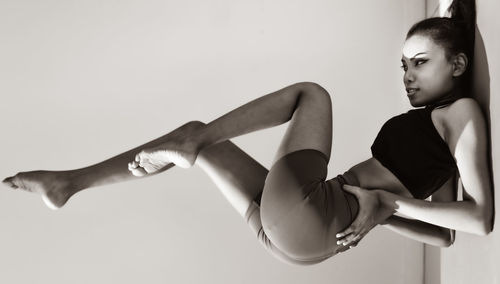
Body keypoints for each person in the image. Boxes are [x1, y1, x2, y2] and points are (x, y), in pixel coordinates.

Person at [2, 0, 493, 266]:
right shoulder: (443, 122)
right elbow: (444, 238)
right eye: (403, 66)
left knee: (312, 95)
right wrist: (383, 212)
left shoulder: (463, 112)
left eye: (420, 64)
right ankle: (69, 182)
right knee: (198, 134)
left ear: (458, 64)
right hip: (300, 242)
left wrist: (388, 205)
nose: (407, 75)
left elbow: (479, 220)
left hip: (310, 214)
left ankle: (189, 147)